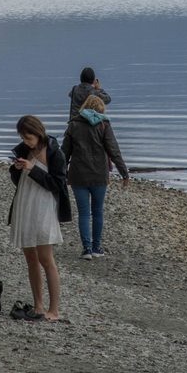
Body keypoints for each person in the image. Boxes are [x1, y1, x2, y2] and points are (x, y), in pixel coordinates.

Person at [8, 114, 72, 322]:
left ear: (38, 133)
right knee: (31, 259)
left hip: (44, 207)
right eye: (23, 138)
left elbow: (57, 184)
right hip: (25, 204)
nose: (26, 142)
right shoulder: (24, 149)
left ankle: (54, 309)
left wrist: (32, 169)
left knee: (46, 259)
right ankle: (38, 305)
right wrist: (16, 169)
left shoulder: (55, 152)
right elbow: (18, 180)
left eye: (29, 138)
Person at [63, 93, 130, 260]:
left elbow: (64, 153)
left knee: (84, 213)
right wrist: (124, 172)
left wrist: (59, 172)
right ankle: (96, 247)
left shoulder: (74, 124)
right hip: (99, 175)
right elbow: (113, 150)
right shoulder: (104, 124)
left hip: (78, 175)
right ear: (101, 109)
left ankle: (86, 249)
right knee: (98, 211)